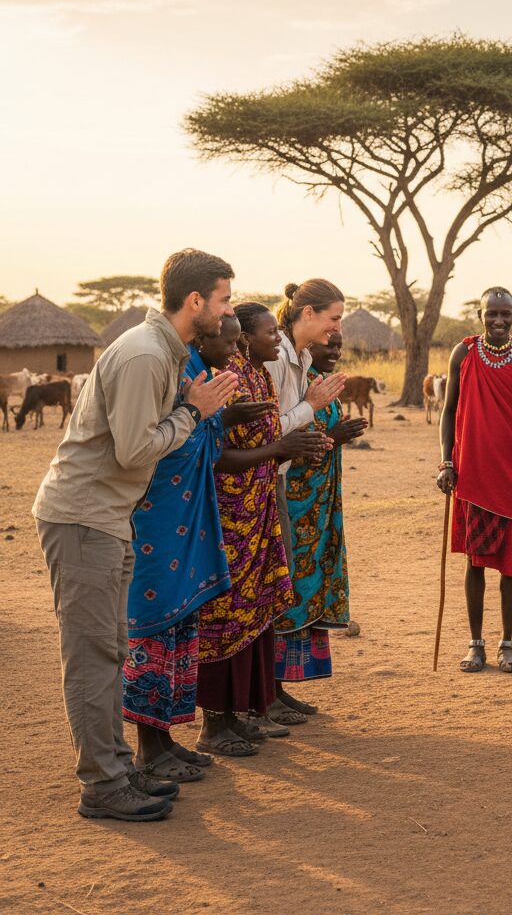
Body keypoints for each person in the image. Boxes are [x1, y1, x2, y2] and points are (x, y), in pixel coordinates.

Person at [33, 248, 238, 821]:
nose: (226, 314)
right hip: (84, 517)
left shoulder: (164, 352)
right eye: (222, 301)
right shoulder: (148, 356)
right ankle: (101, 784)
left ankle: (118, 768)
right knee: (94, 655)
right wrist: (193, 412)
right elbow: (134, 450)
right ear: (195, 301)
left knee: (112, 648)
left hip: (106, 517)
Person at [122, 315, 276, 782]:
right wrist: (209, 417)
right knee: (153, 629)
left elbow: (200, 441)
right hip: (157, 519)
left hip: (184, 520)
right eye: (228, 342)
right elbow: (156, 444)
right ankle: (148, 749)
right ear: (202, 335)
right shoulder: (170, 368)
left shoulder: (198, 373)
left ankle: (165, 740)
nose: (234, 352)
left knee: (178, 629)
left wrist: (221, 417)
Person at [195, 304, 329, 757]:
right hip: (230, 515)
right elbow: (216, 454)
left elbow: (268, 438)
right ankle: (214, 723)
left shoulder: (262, 375)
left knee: (257, 609)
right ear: (245, 339)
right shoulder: (228, 377)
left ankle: (245, 711)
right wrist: (280, 447)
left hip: (259, 509)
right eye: (271, 332)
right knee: (225, 614)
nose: (278, 338)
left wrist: (290, 447)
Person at [436, 287, 512, 675]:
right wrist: (446, 462)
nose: (498, 321)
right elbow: (448, 411)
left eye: (506, 314)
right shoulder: (464, 353)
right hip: (475, 474)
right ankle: (475, 643)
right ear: (480, 314)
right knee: (475, 561)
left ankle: (506, 643)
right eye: (491, 314)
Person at [264, 280, 347, 724]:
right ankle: (264, 695)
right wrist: (312, 406)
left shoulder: (300, 358)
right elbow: (268, 431)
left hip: (279, 483)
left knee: (283, 585)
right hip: (270, 484)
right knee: (274, 589)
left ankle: (273, 692)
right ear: (309, 313)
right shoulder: (276, 356)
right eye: (333, 318)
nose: (337, 328)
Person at [275, 331, 367, 691]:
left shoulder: (320, 384)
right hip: (296, 506)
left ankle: (285, 685)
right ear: (308, 346)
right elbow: (286, 445)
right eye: (329, 345)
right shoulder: (299, 386)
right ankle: (272, 689)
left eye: (340, 345)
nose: (337, 351)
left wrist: (338, 434)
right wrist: (336, 436)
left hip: (320, 506)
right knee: (288, 587)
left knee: (309, 587)